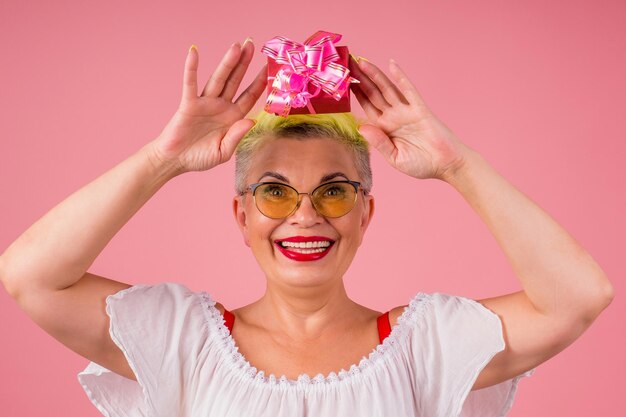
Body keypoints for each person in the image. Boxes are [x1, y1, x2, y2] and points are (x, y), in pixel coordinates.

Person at [0, 37, 614, 417]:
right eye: (273, 191)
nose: (305, 214)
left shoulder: (423, 345)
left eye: (334, 191)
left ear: (366, 211)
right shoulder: (183, 341)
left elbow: (579, 298)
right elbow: (32, 276)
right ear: (240, 215)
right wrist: (161, 160)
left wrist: (457, 164)